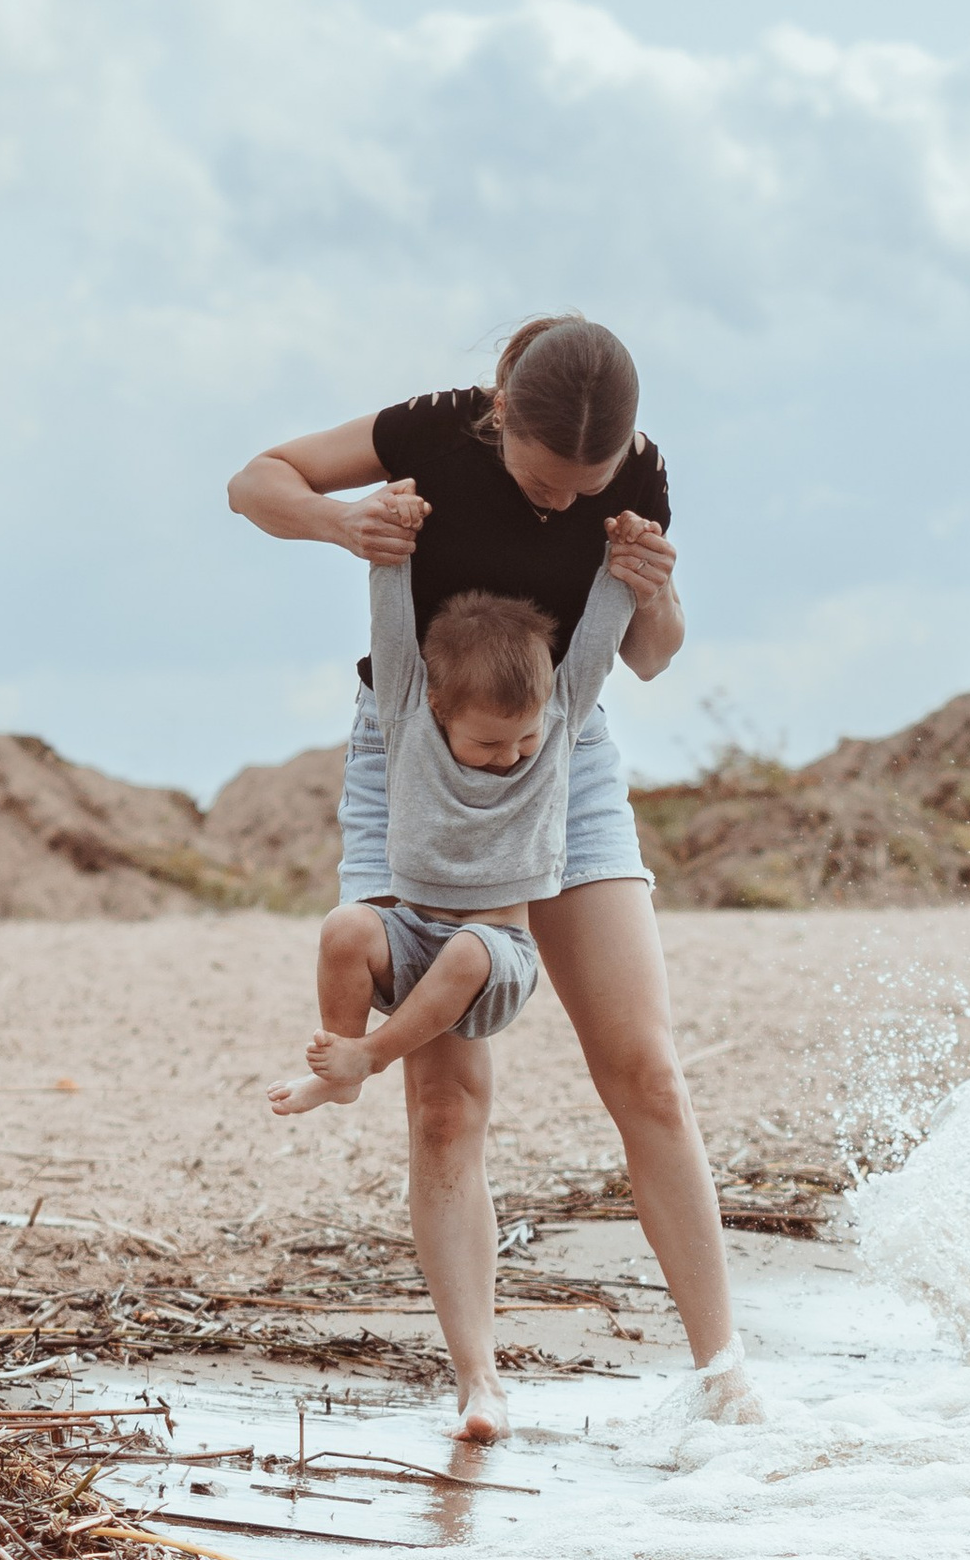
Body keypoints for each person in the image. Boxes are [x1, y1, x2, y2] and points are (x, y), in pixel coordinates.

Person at [228, 315, 759, 1443]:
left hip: (563, 754)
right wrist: (342, 522)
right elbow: (252, 482)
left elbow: (651, 654)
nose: (565, 503)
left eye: (591, 483)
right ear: (502, 419)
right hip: (409, 760)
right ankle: (481, 1386)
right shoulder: (432, 430)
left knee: (647, 1071)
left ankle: (725, 1374)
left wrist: (656, 592)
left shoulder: (642, 470)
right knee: (446, 1103)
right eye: (542, 478)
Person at [269, 568, 624, 1126]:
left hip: (497, 958)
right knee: (345, 925)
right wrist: (391, 556)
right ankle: (337, 1074)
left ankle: (369, 1057)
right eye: (488, 742)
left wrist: (621, 571)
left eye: (524, 738)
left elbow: (598, 642)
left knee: (467, 947)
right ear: (436, 705)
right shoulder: (407, 719)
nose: (510, 756)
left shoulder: (560, 720)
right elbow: (389, 628)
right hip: (411, 942)